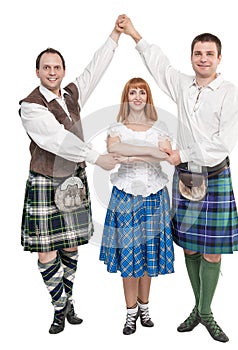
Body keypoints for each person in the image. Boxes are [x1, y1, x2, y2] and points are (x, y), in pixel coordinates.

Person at [117, 15, 238, 343]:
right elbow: (157, 62)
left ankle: (205, 312)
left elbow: (222, 144)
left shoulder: (229, 92)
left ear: (219, 58)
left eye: (209, 54)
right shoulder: (183, 85)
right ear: (192, 57)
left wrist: (181, 153)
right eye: (198, 53)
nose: (203, 59)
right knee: (189, 248)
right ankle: (199, 309)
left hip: (213, 176)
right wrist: (133, 33)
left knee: (213, 252)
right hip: (186, 178)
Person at [19, 22, 122, 334]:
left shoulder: (71, 94)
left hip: (72, 181)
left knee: (71, 246)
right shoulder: (30, 106)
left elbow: (95, 68)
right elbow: (58, 140)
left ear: (63, 70)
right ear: (37, 71)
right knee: (46, 250)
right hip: (45, 182)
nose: (52, 71)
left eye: (57, 66)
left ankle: (69, 300)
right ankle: (59, 306)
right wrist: (97, 157)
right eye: (46, 67)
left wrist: (115, 36)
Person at [99, 77, 175, 335]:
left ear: (148, 97)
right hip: (125, 195)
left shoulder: (160, 127)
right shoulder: (116, 126)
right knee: (130, 258)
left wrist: (133, 155)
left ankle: (145, 308)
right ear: (126, 96)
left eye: (142, 92)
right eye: (133, 92)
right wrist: (149, 152)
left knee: (148, 254)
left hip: (154, 196)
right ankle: (130, 313)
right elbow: (114, 149)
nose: (138, 97)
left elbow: (166, 155)